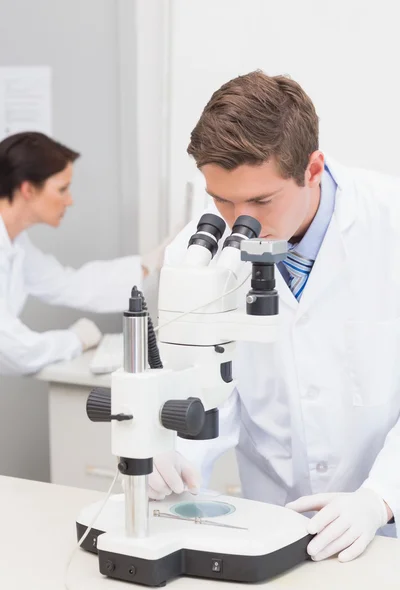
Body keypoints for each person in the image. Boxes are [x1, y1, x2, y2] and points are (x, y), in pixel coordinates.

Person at [148, 71, 400, 563]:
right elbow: (208, 392)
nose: (242, 224)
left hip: (385, 527)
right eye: (222, 200)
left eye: (261, 201)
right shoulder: (195, 255)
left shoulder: (390, 224)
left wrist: (381, 497)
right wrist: (174, 452)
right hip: (272, 527)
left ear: (312, 169)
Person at [0, 131, 165, 375]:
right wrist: (76, 339)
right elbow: (14, 349)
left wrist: (148, 265)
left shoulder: (16, 242)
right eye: (62, 189)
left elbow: (65, 284)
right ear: (28, 190)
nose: (70, 201)